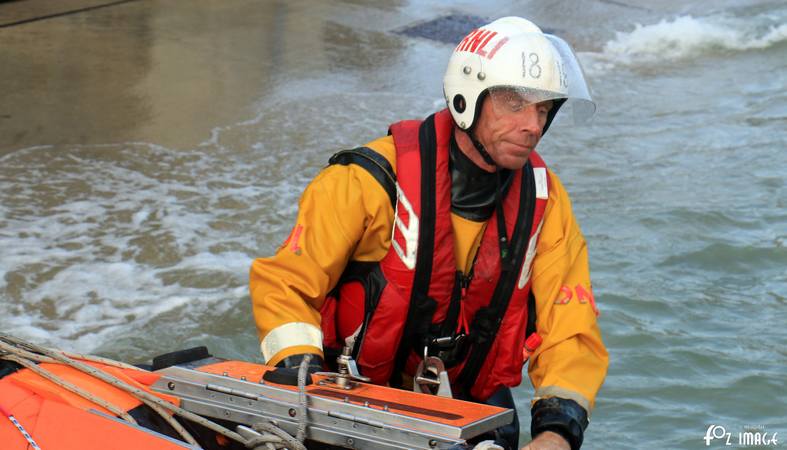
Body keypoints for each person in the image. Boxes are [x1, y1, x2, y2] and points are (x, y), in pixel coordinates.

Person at [250, 16, 608, 450]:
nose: (533, 124)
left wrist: (557, 434)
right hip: (350, 402)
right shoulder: (366, 182)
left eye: (543, 109)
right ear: (467, 97)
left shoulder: (546, 202)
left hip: (471, 409)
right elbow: (285, 285)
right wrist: (306, 384)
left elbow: (571, 328)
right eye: (516, 103)